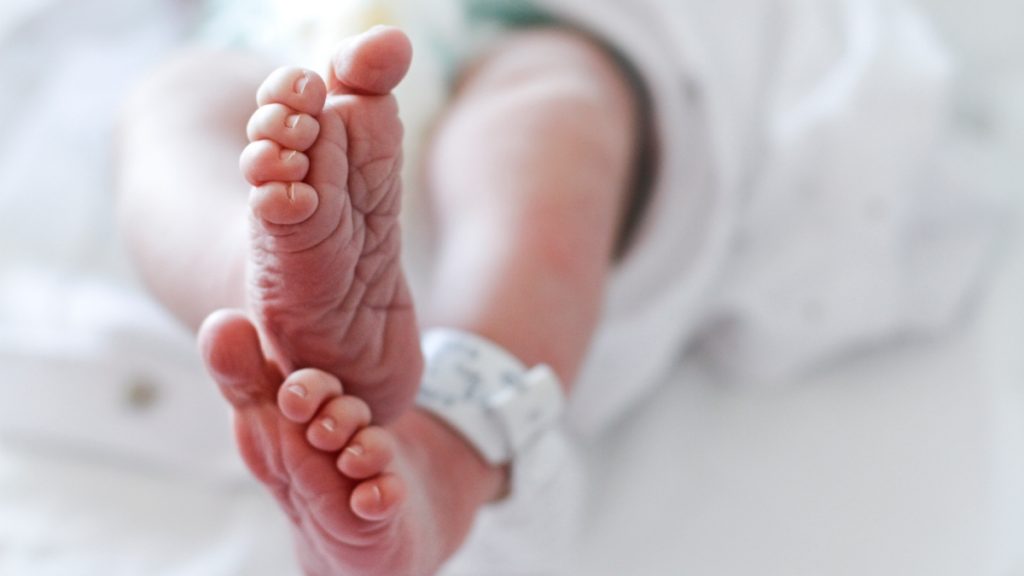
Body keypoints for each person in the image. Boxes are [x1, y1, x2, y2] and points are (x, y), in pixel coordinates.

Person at [116, 1, 1000, 574]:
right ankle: (274, 280)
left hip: (529, 29)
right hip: (280, 49)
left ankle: (450, 431)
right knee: (173, 111)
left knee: (551, 108)